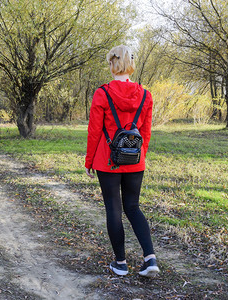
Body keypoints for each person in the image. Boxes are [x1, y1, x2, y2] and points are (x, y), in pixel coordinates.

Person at [85, 45, 159, 277]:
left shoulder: (102, 93)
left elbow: (95, 130)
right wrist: (140, 156)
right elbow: (145, 132)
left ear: (112, 64)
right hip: (135, 159)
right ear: (131, 65)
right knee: (133, 207)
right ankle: (150, 258)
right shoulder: (146, 95)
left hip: (107, 161)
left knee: (114, 209)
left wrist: (89, 161)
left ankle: (120, 263)